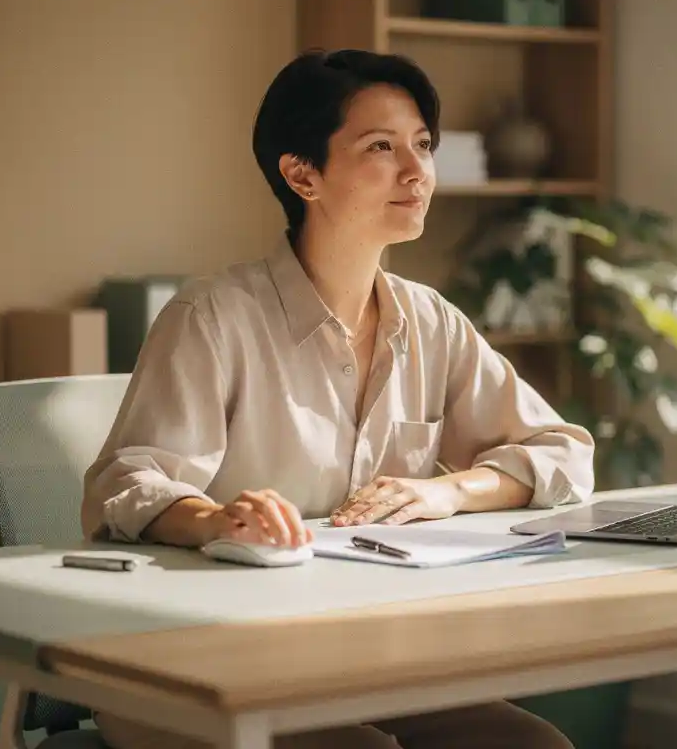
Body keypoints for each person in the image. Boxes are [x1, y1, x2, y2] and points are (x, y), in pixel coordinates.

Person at [83, 48, 595, 749]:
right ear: (302, 174)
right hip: (194, 664)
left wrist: (451, 493)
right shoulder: (211, 317)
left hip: (358, 660)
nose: (416, 172)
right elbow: (125, 483)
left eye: (421, 145)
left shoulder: (432, 320)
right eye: (380, 147)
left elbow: (562, 453)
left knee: (534, 747)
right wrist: (215, 520)